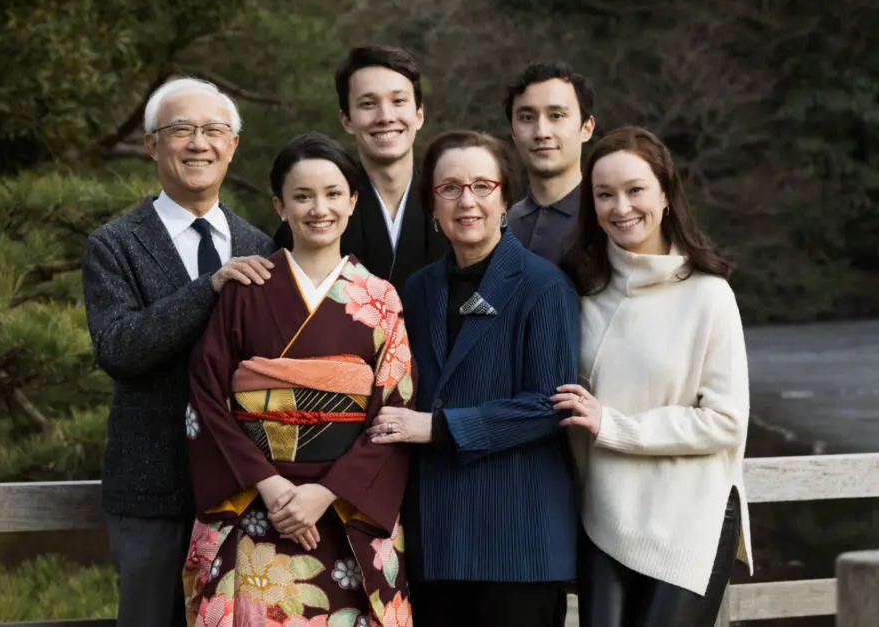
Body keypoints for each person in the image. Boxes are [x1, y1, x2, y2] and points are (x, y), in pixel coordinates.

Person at [184, 132, 416, 627]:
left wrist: (324, 494)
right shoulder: (246, 290)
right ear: (280, 205)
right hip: (256, 507)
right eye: (302, 196)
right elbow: (206, 400)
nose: (319, 208)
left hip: (344, 512)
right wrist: (270, 486)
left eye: (334, 194)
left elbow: (392, 417)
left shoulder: (381, 299)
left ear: (353, 202)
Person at [82, 77, 276, 627]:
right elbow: (119, 346)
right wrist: (209, 287)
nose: (199, 143)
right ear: (151, 144)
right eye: (181, 130)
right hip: (151, 490)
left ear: (233, 145)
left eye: (214, 130)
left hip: (244, 490)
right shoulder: (114, 244)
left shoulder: (260, 244)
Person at [368, 130, 580, 627]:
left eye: (483, 186)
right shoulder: (416, 291)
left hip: (518, 541)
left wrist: (437, 427)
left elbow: (549, 406)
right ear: (432, 204)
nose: (468, 201)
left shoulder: (544, 285)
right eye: (450, 188)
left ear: (505, 196)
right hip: (436, 538)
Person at [556, 126, 753, 627]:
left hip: (692, 515)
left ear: (665, 194)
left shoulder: (709, 295)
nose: (620, 207)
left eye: (635, 190)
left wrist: (614, 425)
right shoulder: (583, 294)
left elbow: (726, 421)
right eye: (604, 195)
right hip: (605, 517)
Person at [274, 45, 446, 293]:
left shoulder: (450, 205)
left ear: (419, 114)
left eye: (398, 101)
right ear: (346, 120)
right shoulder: (319, 213)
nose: (385, 116)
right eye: (368, 104)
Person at [505, 61, 596, 265]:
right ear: (512, 131)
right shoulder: (500, 228)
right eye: (527, 118)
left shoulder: (608, 219)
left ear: (587, 128)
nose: (541, 133)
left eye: (556, 116)